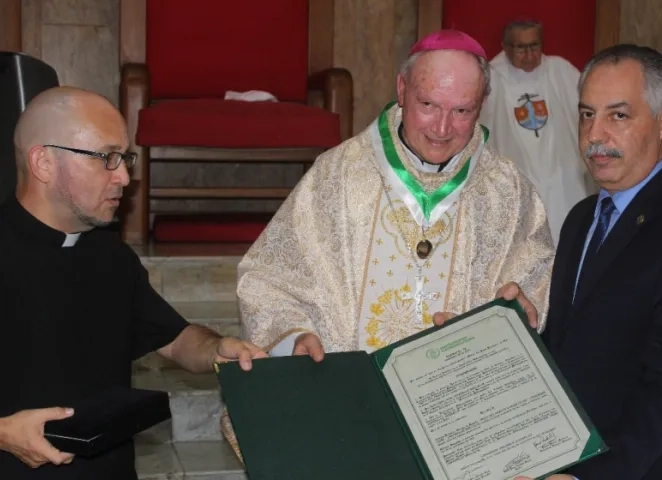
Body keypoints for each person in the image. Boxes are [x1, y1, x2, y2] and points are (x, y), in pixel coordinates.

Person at [221, 29, 555, 458]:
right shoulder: (338, 175)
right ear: (402, 89)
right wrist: (294, 336)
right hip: (345, 411)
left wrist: (521, 310)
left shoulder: (508, 192)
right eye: (428, 104)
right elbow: (270, 276)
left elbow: (533, 282)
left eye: (461, 110)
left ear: (481, 106)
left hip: (459, 422)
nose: (442, 127)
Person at [0, 86, 267, 479]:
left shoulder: (111, 256)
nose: (124, 176)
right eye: (106, 158)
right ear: (43, 162)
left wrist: (215, 349)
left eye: (124, 158)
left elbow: (174, 339)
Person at [518, 44, 662, 480]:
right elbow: (577, 351)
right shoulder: (581, 220)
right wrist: (510, 331)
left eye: (618, 116)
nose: (595, 135)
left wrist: (592, 476)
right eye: (587, 114)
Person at [479, 19, 594, 246]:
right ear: (505, 46)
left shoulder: (560, 70)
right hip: (515, 174)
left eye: (535, 46)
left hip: (560, 172)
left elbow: (589, 108)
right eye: (521, 48)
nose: (530, 54)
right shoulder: (491, 77)